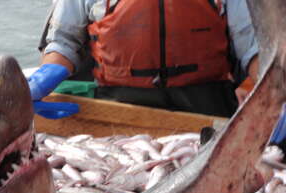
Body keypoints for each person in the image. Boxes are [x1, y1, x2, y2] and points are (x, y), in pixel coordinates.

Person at [29, 0, 259, 118]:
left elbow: (254, 49)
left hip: (208, 105)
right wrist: (45, 78)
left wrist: (276, 93)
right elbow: (64, 41)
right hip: (117, 106)